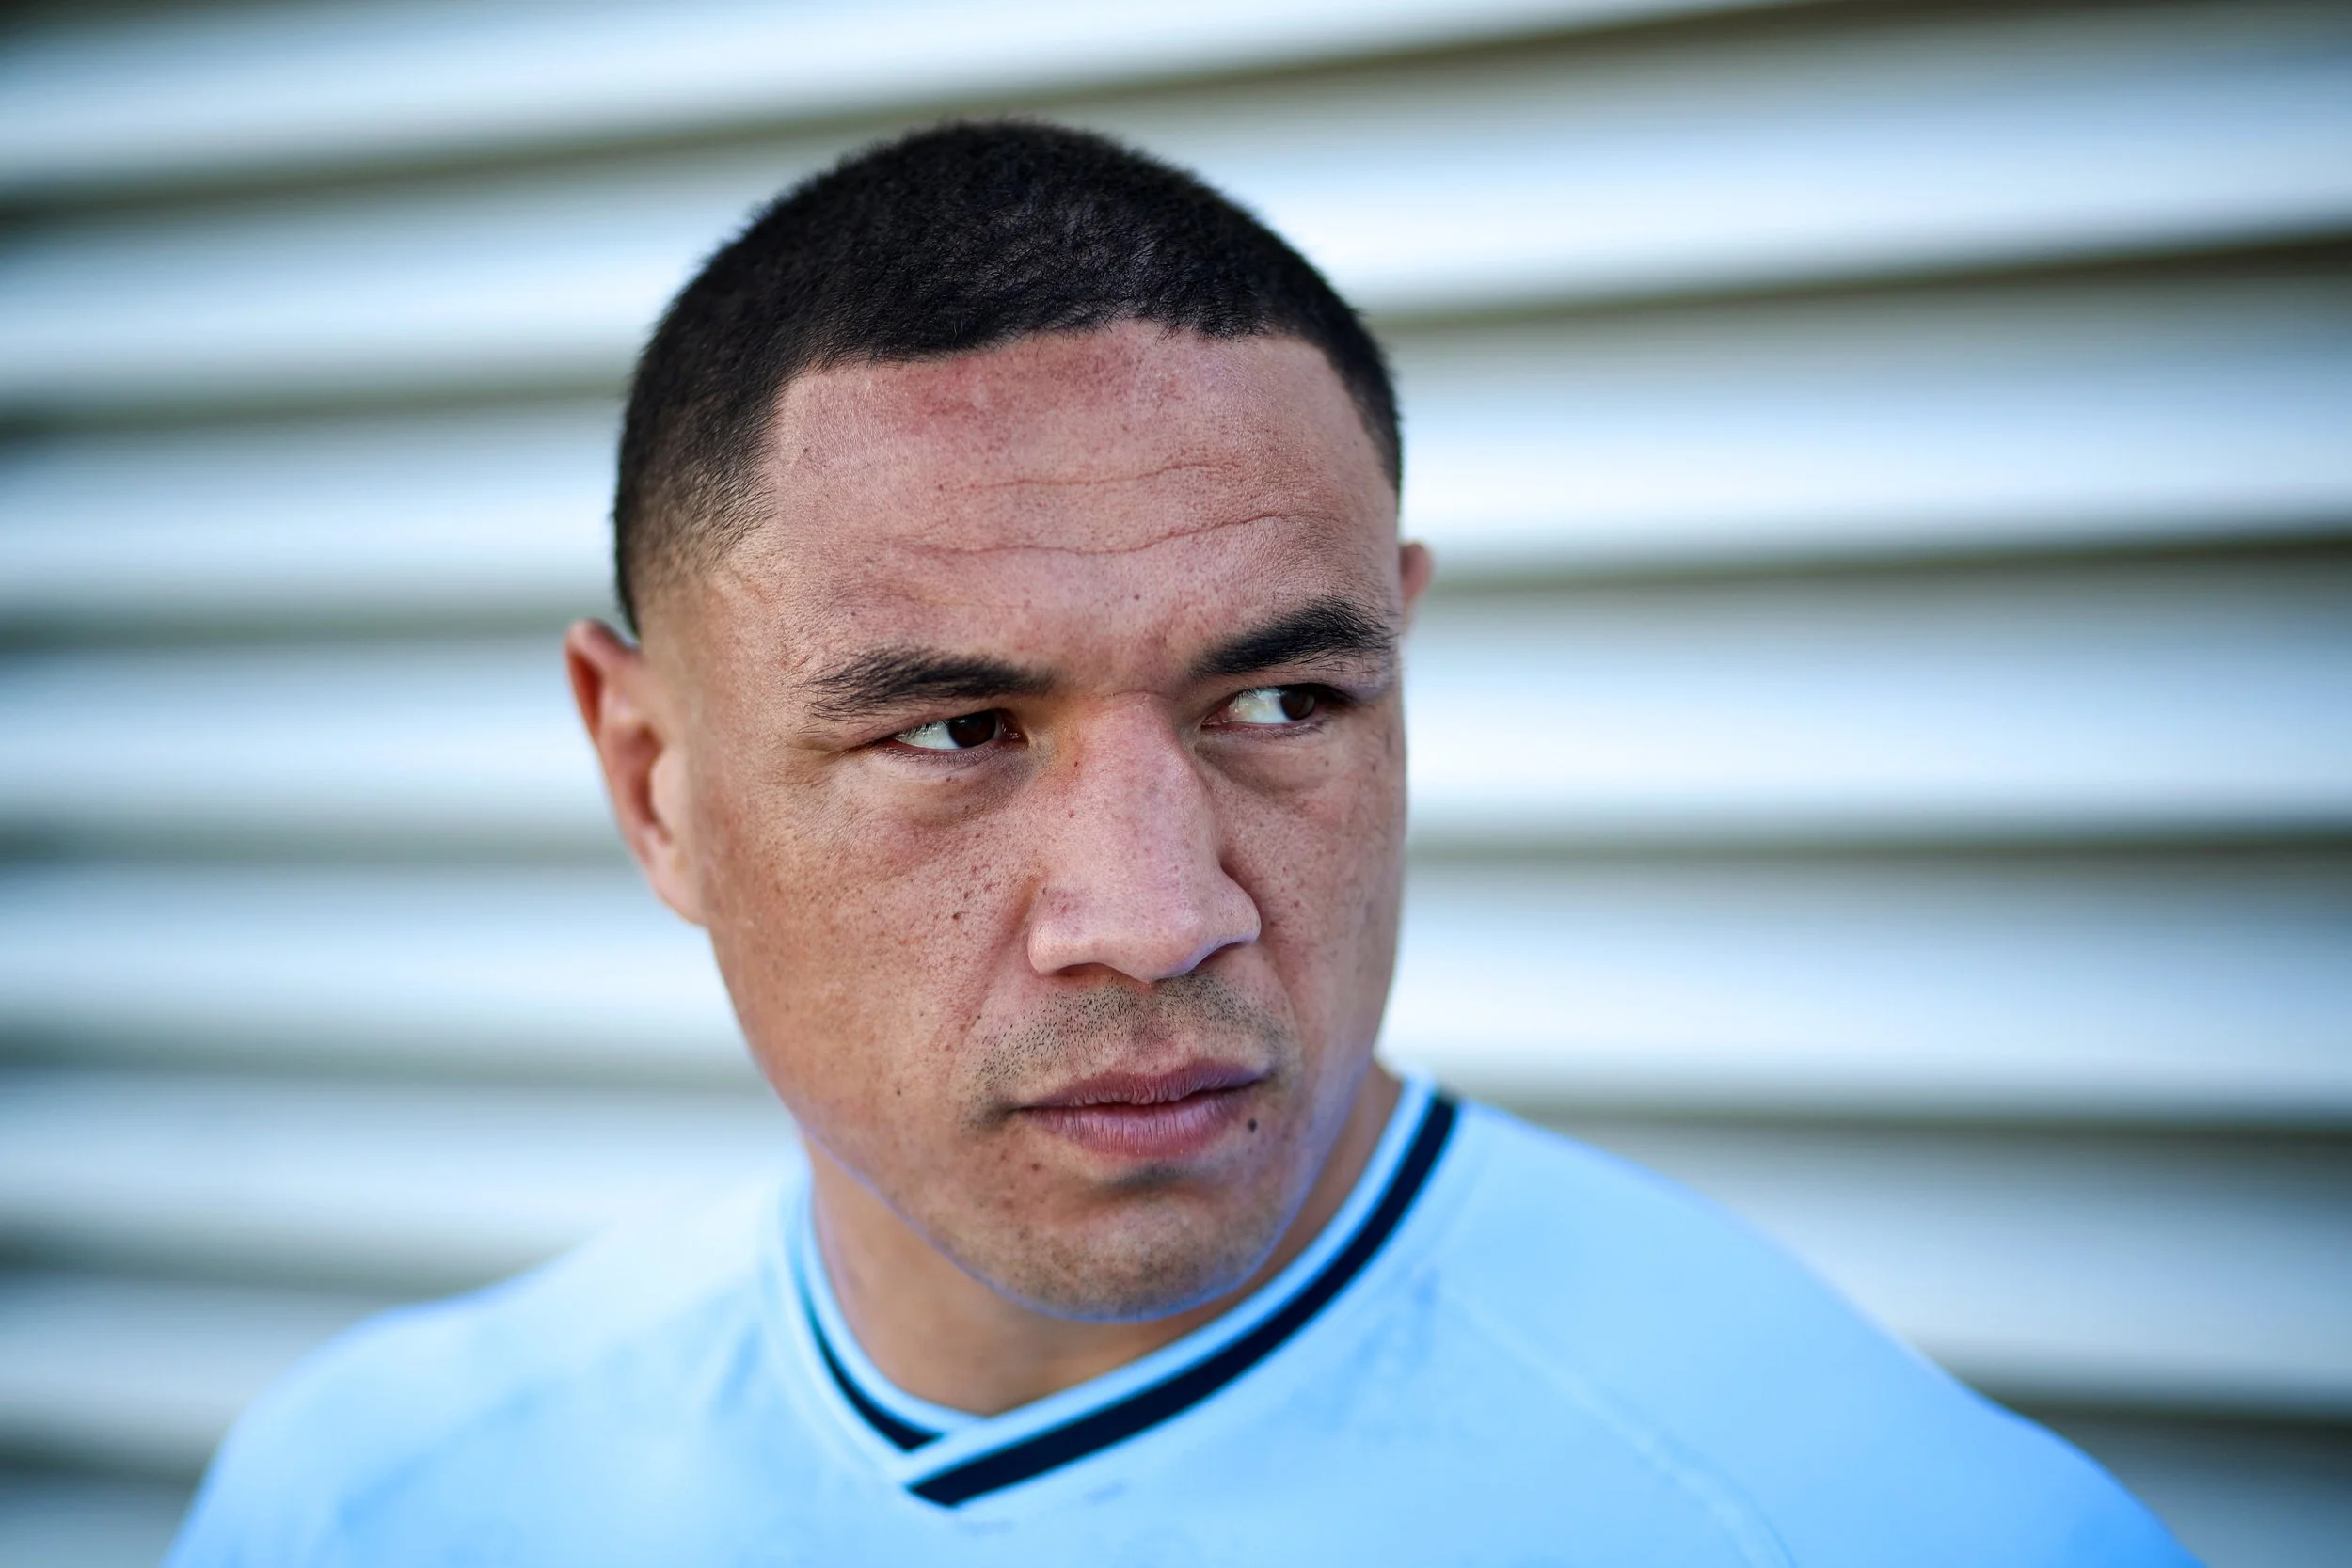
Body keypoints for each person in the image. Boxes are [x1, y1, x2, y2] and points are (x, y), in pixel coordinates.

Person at [167, 120, 2191, 1566]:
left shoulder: (1869, 1520)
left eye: (1281, 701)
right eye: (955, 728)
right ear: (650, 779)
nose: (1155, 912)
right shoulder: (377, 1496)